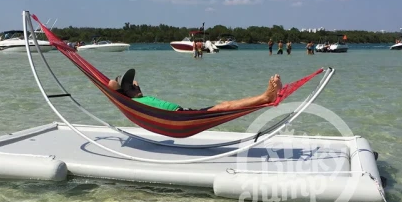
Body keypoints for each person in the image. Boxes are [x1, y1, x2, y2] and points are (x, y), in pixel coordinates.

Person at [108, 69, 283, 112]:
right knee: (224, 107)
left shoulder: (139, 97)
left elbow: (134, 84)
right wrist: (123, 90)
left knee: (225, 104)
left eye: (136, 85)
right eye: (131, 87)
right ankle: (265, 97)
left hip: (184, 114)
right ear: (124, 94)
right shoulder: (133, 103)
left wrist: (133, 88)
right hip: (180, 117)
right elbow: (111, 85)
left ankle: (265, 97)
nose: (136, 87)